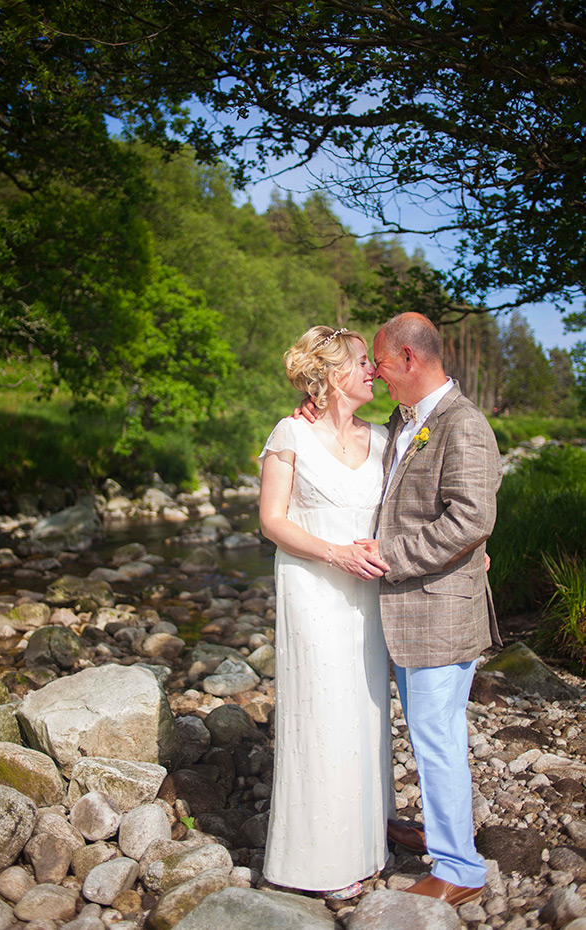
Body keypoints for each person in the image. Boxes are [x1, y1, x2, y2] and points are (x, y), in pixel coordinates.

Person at [320, 311, 502, 906]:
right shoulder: (407, 422)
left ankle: (459, 869)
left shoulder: (463, 424)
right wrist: (317, 415)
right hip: (409, 612)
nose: (374, 371)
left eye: (379, 360)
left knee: (437, 736)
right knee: (427, 735)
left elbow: (471, 517)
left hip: (440, 611)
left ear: (408, 359)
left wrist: (390, 556)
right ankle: (437, 837)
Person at [258, 325, 394, 900]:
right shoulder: (290, 432)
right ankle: (314, 863)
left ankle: (367, 846)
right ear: (334, 374)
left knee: (364, 715)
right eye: (363, 362)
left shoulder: (388, 437)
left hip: (370, 596)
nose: (374, 371)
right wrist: (335, 551)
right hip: (312, 590)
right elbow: (272, 520)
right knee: (321, 715)